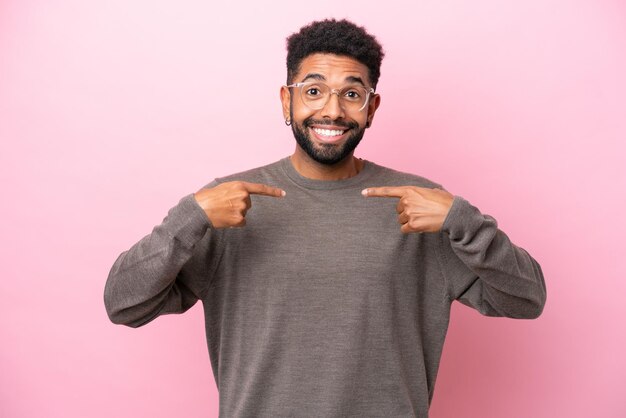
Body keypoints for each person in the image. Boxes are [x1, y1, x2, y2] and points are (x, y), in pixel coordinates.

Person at [104, 18, 546, 418]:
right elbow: (123, 304)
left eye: (351, 94)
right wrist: (191, 216)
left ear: (371, 108)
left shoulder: (421, 206)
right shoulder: (227, 205)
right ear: (286, 100)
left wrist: (461, 219)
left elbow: (527, 300)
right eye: (313, 90)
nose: (332, 111)